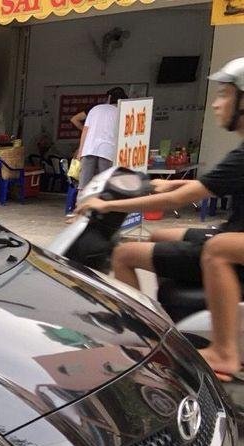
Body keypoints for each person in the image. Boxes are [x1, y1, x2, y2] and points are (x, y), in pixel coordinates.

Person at [78, 58, 244, 380]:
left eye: (225, 94)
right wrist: (169, 183)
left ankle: (198, 347)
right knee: (159, 235)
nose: (215, 104)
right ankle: (174, 322)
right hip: (234, 232)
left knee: (124, 254)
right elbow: (205, 186)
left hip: (232, 244)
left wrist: (108, 206)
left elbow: (178, 201)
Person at [74, 87, 127, 193]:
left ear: (109, 98)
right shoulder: (121, 113)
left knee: (84, 185)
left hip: (89, 149)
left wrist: (80, 151)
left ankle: (82, 203)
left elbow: (85, 131)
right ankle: (101, 203)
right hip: (107, 151)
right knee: (104, 185)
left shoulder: (95, 109)